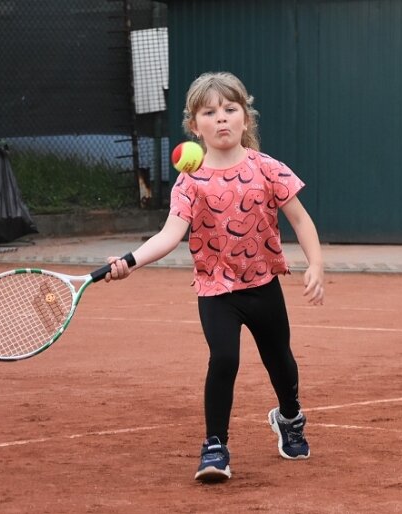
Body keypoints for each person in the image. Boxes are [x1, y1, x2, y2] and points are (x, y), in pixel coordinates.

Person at [105, 71, 324, 483]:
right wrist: (129, 261)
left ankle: (290, 417)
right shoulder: (190, 181)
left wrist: (316, 264)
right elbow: (169, 235)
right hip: (216, 288)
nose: (221, 118)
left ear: (246, 117)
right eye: (210, 112)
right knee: (224, 359)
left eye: (230, 109)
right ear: (194, 125)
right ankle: (215, 446)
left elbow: (301, 220)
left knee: (281, 361)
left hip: (263, 285)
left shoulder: (268, 169)